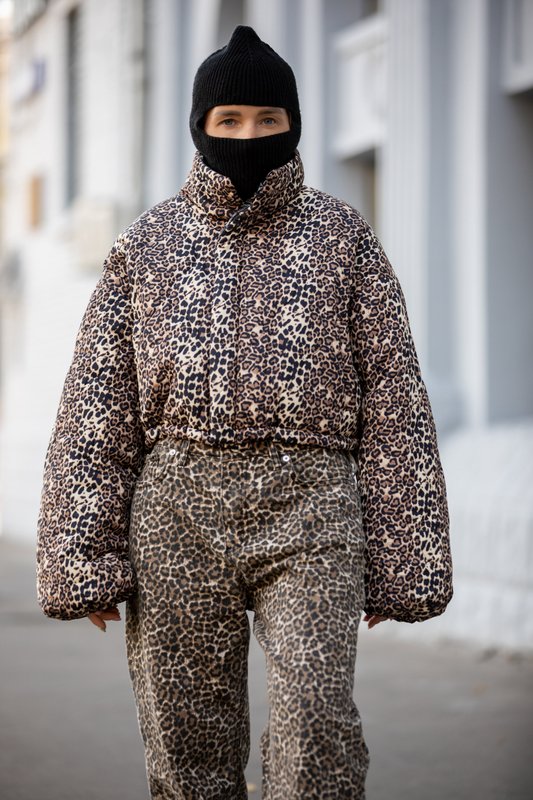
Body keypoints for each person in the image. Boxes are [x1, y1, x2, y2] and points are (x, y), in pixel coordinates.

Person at [36, 25, 453, 800]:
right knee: (186, 741)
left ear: (294, 124)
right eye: (228, 119)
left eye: (268, 118)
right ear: (200, 125)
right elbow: (96, 405)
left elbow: (394, 396)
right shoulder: (147, 246)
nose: (248, 134)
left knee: (316, 724)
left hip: (313, 513)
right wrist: (81, 557)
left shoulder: (343, 239)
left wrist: (404, 560)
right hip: (176, 515)